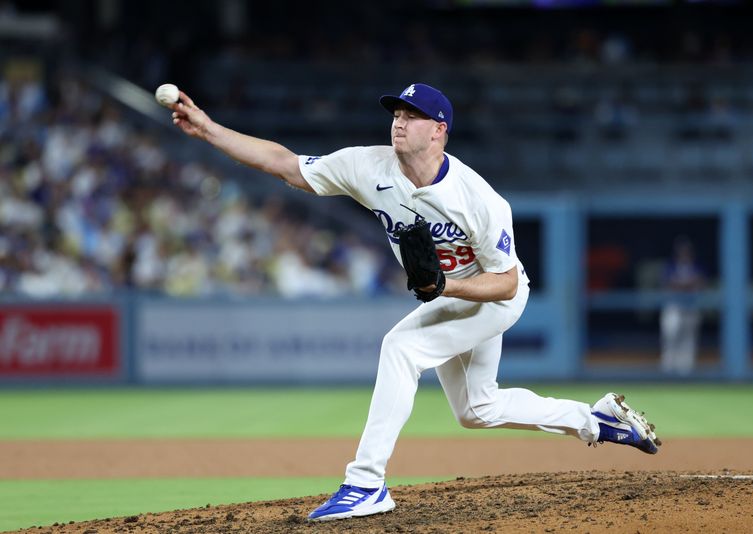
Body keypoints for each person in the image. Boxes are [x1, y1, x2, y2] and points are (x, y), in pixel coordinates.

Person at [168, 82, 660, 521]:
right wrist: (210, 129)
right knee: (477, 409)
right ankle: (596, 422)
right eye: (396, 114)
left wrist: (446, 288)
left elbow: (506, 283)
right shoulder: (369, 166)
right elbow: (285, 164)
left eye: (411, 116)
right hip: (450, 296)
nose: (398, 122)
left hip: (491, 294)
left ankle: (365, 483)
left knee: (400, 347)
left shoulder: (478, 199)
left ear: (438, 130)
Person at [660, 236, 706, 375]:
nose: (684, 253)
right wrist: (686, 284)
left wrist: (682, 284)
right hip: (674, 306)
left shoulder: (697, 266)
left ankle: (686, 370)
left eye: (687, 251)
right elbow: (668, 284)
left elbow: (701, 283)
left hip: (691, 307)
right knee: (671, 336)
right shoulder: (671, 266)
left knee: (689, 338)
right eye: (682, 251)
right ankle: (668, 368)